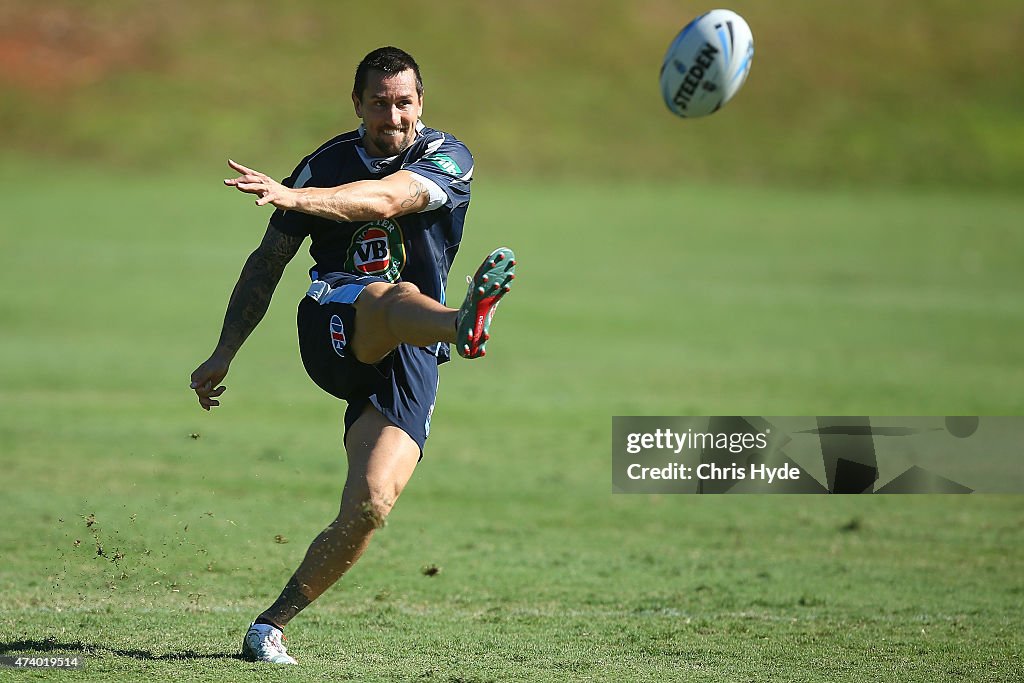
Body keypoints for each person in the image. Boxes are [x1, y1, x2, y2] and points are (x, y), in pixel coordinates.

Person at [189, 46, 516, 665]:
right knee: (393, 296)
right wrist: (224, 351)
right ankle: (463, 321)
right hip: (335, 324)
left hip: (410, 349)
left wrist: (295, 198)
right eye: (379, 103)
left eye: (404, 103)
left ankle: (269, 627)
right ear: (357, 104)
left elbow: (386, 201)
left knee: (370, 503)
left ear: (421, 102)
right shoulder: (323, 165)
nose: (392, 117)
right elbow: (267, 264)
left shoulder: (449, 158)